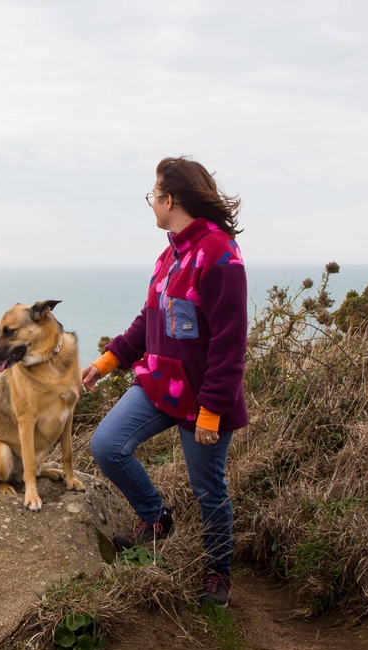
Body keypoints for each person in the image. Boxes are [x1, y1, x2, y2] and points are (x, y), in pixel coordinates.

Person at [81, 156, 248, 608]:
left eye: (153, 194)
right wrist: (108, 360)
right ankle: (155, 519)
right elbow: (149, 320)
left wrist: (212, 409)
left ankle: (218, 571)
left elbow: (230, 345)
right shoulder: (170, 254)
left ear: (169, 199)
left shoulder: (220, 255)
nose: (151, 203)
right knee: (106, 445)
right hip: (160, 384)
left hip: (205, 400)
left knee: (208, 488)